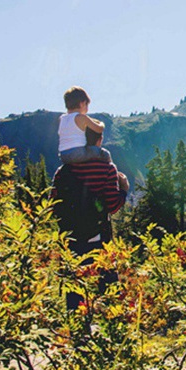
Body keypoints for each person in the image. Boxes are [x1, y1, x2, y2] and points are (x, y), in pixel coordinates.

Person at [51, 126, 130, 310]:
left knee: (74, 286)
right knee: (108, 284)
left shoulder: (63, 170)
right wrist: (124, 189)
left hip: (70, 238)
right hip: (98, 237)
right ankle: (111, 326)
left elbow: (52, 206)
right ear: (99, 140)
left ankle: (77, 331)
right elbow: (112, 205)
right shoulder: (107, 168)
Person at [58, 86, 112, 164]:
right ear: (82, 103)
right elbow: (99, 129)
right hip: (78, 153)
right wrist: (101, 123)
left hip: (63, 156)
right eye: (87, 105)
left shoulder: (62, 118)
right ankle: (113, 171)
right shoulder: (82, 118)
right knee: (105, 154)